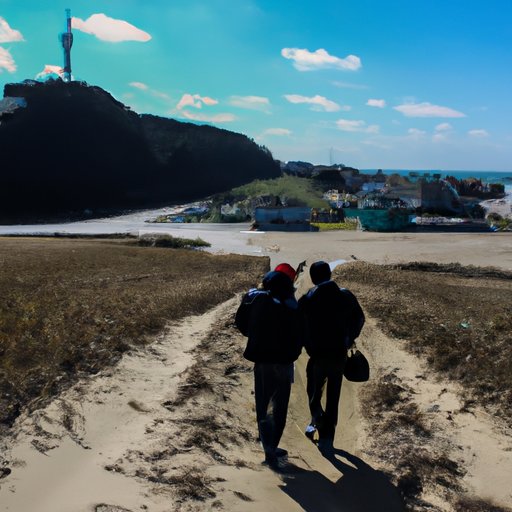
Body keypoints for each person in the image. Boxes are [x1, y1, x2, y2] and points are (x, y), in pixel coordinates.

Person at [235, 269, 302, 469]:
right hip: (284, 362)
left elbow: (241, 323)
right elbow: (301, 332)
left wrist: (255, 334)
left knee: (263, 405)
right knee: (279, 407)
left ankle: (268, 450)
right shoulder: (292, 304)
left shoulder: (256, 299)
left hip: (263, 360)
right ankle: (273, 447)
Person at [298, 260, 365, 453]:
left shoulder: (308, 299)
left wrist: (306, 343)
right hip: (338, 354)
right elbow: (359, 318)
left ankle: (316, 419)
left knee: (313, 391)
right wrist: (349, 338)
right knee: (333, 395)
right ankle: (328, 436)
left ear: (313, 278)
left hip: (317, 354)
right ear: (329, 274)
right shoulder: (345, 295)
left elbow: (298, 325)